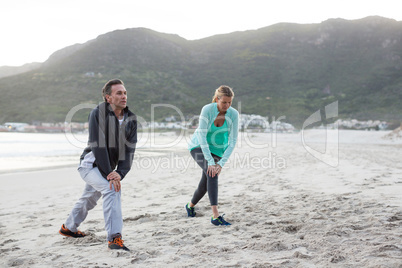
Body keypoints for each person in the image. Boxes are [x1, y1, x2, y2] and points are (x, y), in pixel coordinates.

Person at [59, 79, 137, 251]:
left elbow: (129, 150)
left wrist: (121, 172)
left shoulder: (131, 119)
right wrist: (110, 173)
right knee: (111, 188)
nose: (124, 96)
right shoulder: (98, 113)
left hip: (107, 168)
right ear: (108, 98)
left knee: (89, 198)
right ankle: (114, 238)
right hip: (90, 165)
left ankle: (68, 228)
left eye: (125, 93)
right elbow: (98, 144)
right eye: (119, 93)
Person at [185, 85, 239, 226]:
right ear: (217, 99)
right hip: (198, 147)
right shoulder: (207, 109)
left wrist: (220, 163)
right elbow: (202, 136)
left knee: (205, 184)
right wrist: (210, 161)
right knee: (212, 173)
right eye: (224, 102)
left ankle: (190, 206)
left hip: (218, 150)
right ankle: (215, 216)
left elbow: (233, 141)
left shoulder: (234, 114)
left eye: (229, 102)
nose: (227, 105)